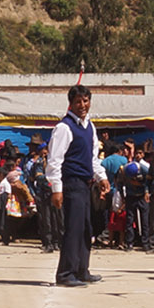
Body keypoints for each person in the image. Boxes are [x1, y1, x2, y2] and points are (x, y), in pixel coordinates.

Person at [47, 84, 109, 287]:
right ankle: (65, 273)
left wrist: (101, 177)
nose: (82, 105)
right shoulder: (64, 128)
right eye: (78, 102)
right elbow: (55, 160)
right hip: (71, 183)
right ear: (70, 104)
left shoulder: (89, 127)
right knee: (73, 228)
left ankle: (82, 269)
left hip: (85, 183)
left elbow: (92, 158)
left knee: (85, 228)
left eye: (85, 101)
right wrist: (57, 189)